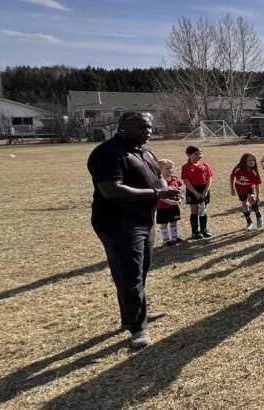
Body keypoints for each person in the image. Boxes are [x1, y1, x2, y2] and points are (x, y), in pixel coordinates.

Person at [87, 111, 182, 348]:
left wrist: (165, 192)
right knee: (130, 274)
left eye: (149, 127)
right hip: (118, 223)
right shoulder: (107, 154)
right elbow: (112, 190)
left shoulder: (145, 151)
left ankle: (130, 316)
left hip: (144, 220)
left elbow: (158, 177)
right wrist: (157, 194)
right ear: (123, 127)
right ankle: (138, 328)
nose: (147, 131)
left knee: (140, 269)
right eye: (141, 127)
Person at [181, 145, 214, 239]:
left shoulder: (205, 165)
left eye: (200, 153)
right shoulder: (185, 167)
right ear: (188, 155)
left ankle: (204, 230)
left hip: (204, 189)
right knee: (194, 210)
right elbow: (186, 181)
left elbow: (209, 178)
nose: (199, 156)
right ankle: (195, 232)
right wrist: (195, 193)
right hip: (192, 190)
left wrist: (205, 191)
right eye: (196, 154)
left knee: (203, 210)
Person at [230, 153, 263, 231]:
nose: (252, 162)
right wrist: (232, 188)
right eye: (249, 160)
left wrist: (258, 196)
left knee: (251, 198)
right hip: (239, 188)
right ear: (244, 161)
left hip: (249, 187)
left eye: (253, 160)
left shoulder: (254, 172)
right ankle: (249, 222)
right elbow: (232, 176)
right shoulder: (238, 168)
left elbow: (257, 184)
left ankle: (258, 216)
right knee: (244, 203)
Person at [155, 159, 183, 247]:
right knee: (164, 223)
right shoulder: (158, 181)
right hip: (162, 207)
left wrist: (180, 198)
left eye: (171, 168)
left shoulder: (175, 179)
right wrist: (170, 202)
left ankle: (174, 238)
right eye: (167, 168)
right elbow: (160, 196)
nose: (170, 170)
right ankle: (166, 240)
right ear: (159, 169)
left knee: (174, 222)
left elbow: (178, 190)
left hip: (174, 206)